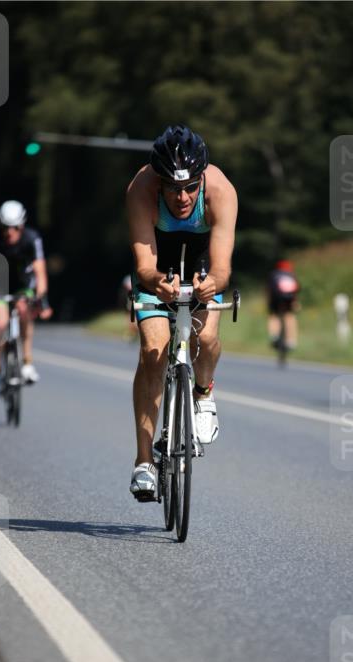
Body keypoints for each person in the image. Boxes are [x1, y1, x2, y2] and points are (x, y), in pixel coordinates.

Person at [126, 124, 238, 500]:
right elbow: (144, 265)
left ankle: (203, 393)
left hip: (203, 259)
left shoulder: (221, 192)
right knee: (154, 352)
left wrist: (212, 284)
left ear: (202, 178)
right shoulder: (141, 189)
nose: (183, 196)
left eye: (191, 186)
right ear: (159, 182)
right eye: (173, 189)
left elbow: (222, 268)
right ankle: (144, 462)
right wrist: (158, 283)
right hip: (158, 264)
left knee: (205, 337)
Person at [0, 200, 52, 394]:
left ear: (22, 225)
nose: (9, 232)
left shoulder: (31, 238)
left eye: (14, 227)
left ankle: (27, 362)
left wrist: (41, 298)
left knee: (23, 310)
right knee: (0, 324)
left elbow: (40, 272)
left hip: (22, 285)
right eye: (5, 227)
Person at [267, 259, 300, 354]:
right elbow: (296, 289)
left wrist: (269, 302)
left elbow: (269, 289)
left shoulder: (273, 274)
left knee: (273, 316)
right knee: (290, 317)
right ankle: (291, 341)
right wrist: (295, 302)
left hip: (276, 297)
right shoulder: (291, 275)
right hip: (289, 298)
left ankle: (274, 336)